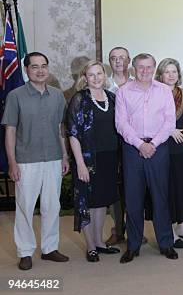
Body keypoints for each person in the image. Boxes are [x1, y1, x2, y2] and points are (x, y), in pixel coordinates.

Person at [2, 52, 70, 271]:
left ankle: (50, 248)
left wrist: (65, 155)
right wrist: (12, 162)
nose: (40, 71)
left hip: (53, 158)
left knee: (52, 206)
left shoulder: (58, 96)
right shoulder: (16, 95)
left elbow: (62, 129)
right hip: (26, 161)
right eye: (34, 67)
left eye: (44, 66)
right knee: (25, 207)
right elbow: (10, 130)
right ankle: (25, 252)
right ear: (26, 70)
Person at [115, 53, 177, 263]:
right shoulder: (123, 92)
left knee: (160, 197)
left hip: (158, 149)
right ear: (133, 68)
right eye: (140, 67)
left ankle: (166, 243)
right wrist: (140, 144)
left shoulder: (164, 91)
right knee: (133, 199)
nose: (145, 71)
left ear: (154, 68)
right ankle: (133, 246)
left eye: (149, 67)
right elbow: (121, 124)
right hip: (133, 150)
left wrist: (153, 144)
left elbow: (169, 122)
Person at [67, 60, 121, 262]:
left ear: (104, 76)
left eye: (99, 73)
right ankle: (90, 245)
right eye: (92, 75)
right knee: (88, 202)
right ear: (85, 78)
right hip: (88, 159)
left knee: (101, 203)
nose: (96, 78)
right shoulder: (79, 99)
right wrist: (80, 163)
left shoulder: (112, 98)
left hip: (109, 158)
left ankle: (99, 242)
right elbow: (73, 134)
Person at [155, 58, 183, 248]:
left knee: (182, 187)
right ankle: (170, 232)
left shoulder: (182, 94)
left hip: (181, 149)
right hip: (164, 148)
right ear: (160, 75)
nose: (171, 75)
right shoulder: (155, 93)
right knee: (170, 190)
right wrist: (169, 130)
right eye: (167, 72)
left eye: (174, 72)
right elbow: (150, 120)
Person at [105, 46, 133, 246]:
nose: (118, 61)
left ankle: (134, 229)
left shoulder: (137, 84)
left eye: (122, 58)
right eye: (114, 58)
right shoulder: (102, 84)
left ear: (129, 60)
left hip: (133, 143)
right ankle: (118, 229)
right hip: (110, 143)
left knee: (134, 186)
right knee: (114, 187)